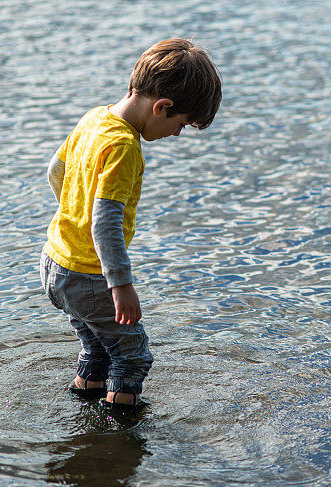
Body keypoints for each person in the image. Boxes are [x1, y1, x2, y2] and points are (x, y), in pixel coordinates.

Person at [40, 38, 221, 409]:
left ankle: (85, 407)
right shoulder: (124, 147)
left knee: (97, 349)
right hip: (91, 277)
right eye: (181, 124)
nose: (176, 134)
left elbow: (55, 170)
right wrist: (121, 285)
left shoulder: (94, 117)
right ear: (162, 107)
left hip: (54, 264)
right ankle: (120, 434)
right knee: (133, 356)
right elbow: (105, 224)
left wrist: (73, 214)